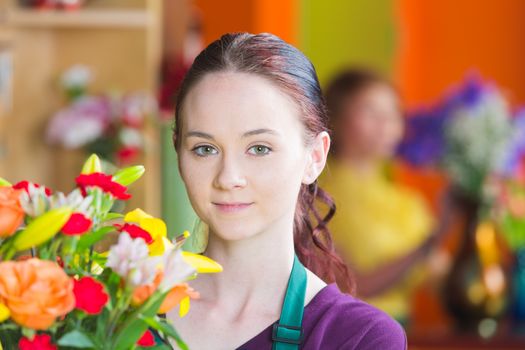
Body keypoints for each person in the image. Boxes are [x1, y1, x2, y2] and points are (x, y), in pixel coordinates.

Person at [167, 33, 406, 349]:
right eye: (205, 149)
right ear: (179, 154)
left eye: (260, 148)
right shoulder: (118, 309)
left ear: (315, 157)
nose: (229, 177)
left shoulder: (359, 337)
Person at [318, 69, 440, 323]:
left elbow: (441, 280)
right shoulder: (317, 197)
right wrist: (433, 240)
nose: (386, 124)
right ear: (335, 119)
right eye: (371, 112)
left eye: (393, 113)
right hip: (349, 332)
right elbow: (354, 285)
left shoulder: (408, 202)